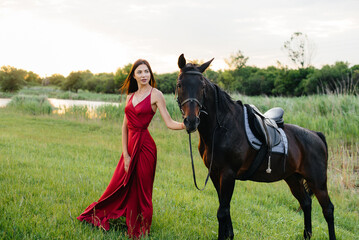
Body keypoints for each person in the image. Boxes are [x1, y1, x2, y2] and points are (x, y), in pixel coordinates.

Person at [77, 59, 185, 238]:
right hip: (129, 147)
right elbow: (124, 127)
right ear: (133, 75)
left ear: (150, 74)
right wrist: (125, 155)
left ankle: (141, 226)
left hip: (145, 147)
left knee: (142, 189)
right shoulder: (130, 96)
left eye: (146, 72)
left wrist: (185, 125)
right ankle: (101, 213)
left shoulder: (156, 94)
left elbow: (169, 122)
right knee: (117, 185)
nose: (144, 75)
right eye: (140, 72)